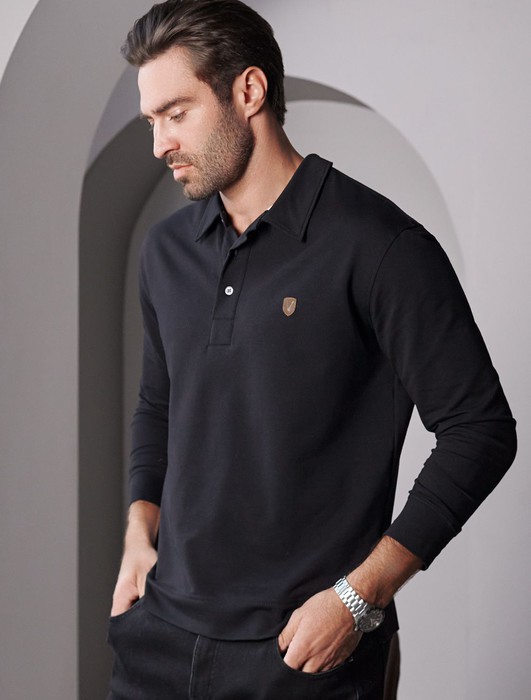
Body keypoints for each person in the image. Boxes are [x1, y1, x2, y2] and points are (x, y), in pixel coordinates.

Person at [107, 1, 517, 698]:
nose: (159, 144)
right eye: (152, 121)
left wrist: (360, 598)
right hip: (160, 637)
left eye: (175, 114)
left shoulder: (381, 246)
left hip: (303, 652)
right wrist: (137, 534)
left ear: (249, 91)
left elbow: (480, 429)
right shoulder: (166, 252)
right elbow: (159, 403)